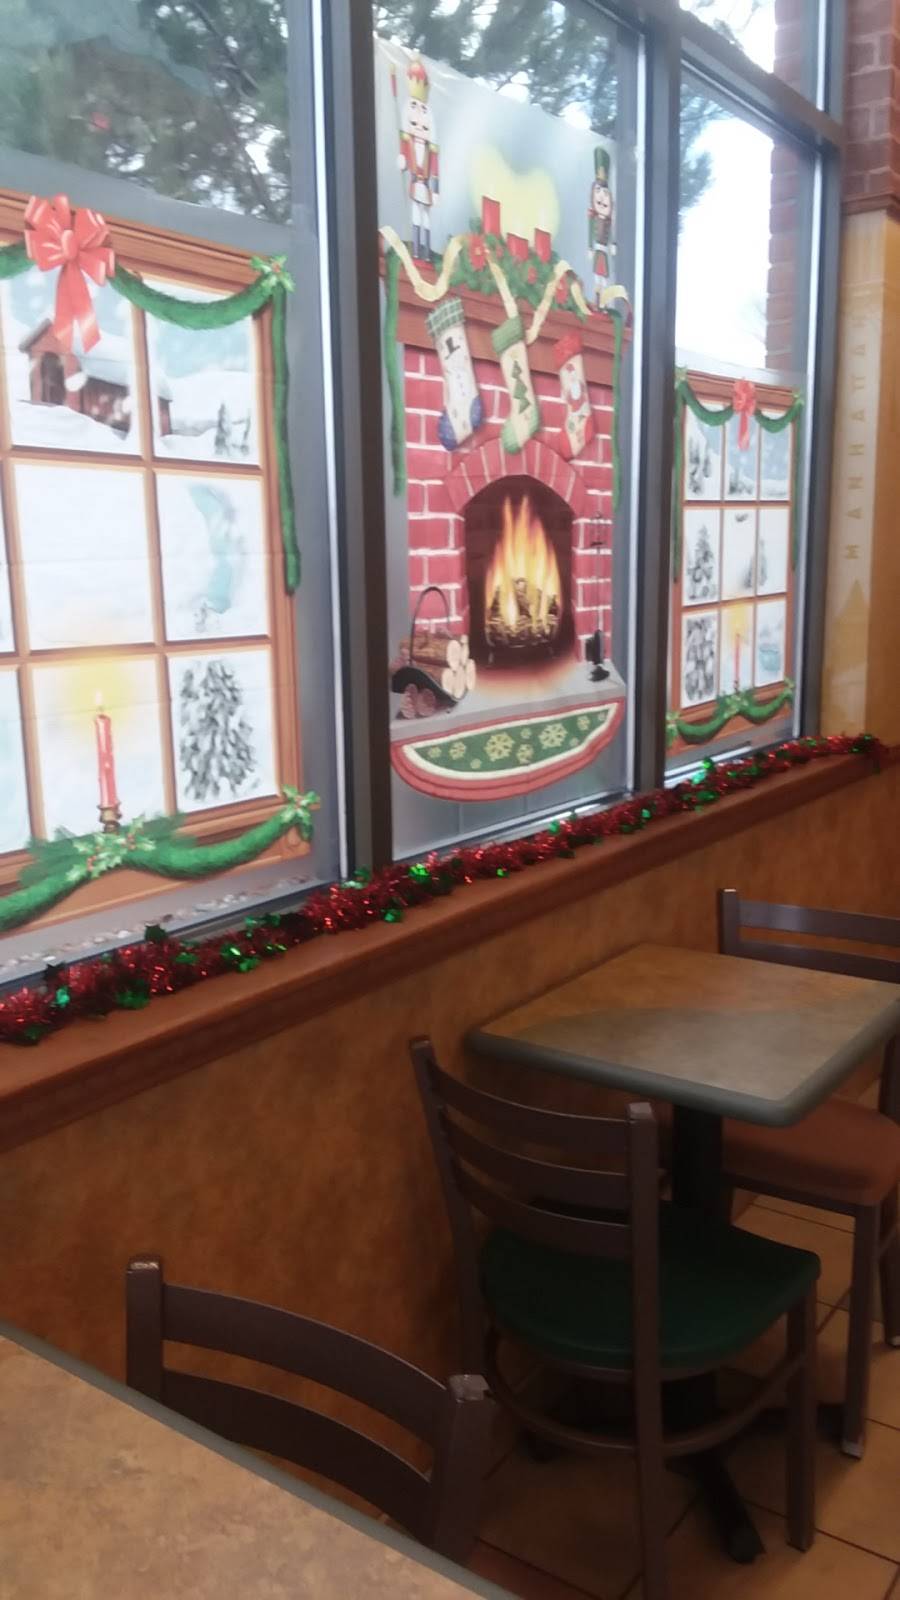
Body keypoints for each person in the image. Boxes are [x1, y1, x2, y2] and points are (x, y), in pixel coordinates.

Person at [398, 54, 439, 262]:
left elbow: (435, 170)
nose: (420, 128)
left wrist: (436, 189)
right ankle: (416, 250)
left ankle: (426, 250)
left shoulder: (431, 149)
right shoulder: (409, 143)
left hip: (426, 186)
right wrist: (402, 159)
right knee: (416, 214)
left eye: (423, 126)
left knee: (426, 217)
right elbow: (404, 154)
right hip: (416, 184)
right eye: (415, 125)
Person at [588, 148, 615, 309]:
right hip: (597, 249)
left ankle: (604, 304)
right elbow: (590, 232)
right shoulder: (593, 217)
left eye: (605, 193)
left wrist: (613, 244)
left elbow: (610, 234)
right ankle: (597, 302)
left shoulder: (608, 221)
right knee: (597, 278)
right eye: (598, 191)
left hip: (604, 250)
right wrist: (590, 247)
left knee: (604, 278)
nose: (602, 197)